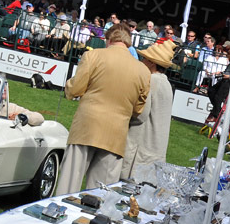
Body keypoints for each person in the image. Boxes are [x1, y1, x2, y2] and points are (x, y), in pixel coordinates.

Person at [56, 23, 150, 195]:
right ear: (128, 42)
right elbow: (138, 109)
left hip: (86, 127)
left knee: (68, 186)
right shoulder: (143, 71)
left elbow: (76, 89)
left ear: (109, 39)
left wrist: (68, 86)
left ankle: (57, 216)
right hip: (116, 134)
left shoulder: (93, 55)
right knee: (100, 194)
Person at [120, 39, 176, 180]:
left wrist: (125, 117)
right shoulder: (166, 83)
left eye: (144, 58)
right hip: (155, 146)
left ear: (152, 62)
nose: (142, 61)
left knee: (128, 191)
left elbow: (141, 114)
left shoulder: (151, 80)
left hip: (142, 146)